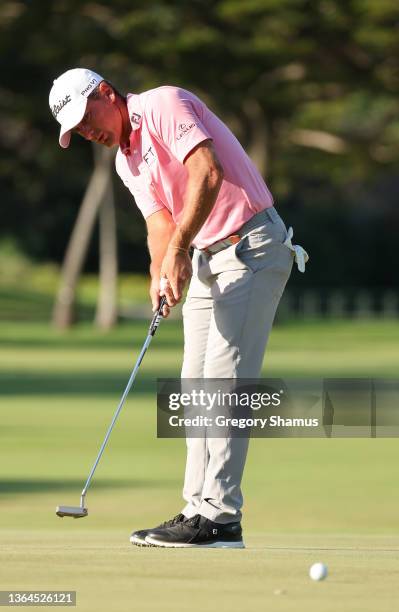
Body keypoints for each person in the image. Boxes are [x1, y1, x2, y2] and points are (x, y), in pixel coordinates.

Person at [49, 68, 308, 549]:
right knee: (194, 386)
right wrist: (160, 272)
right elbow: (159, 224)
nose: (88, 131)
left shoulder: (163, 105)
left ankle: (223, 516)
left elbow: (207, 173)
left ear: (107, 93)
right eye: (77, 130)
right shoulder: (125, 161)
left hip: (251, 246)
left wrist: (179, 252)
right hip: (209, 256)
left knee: (224, 380)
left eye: (87, 118)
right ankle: (197, 509)